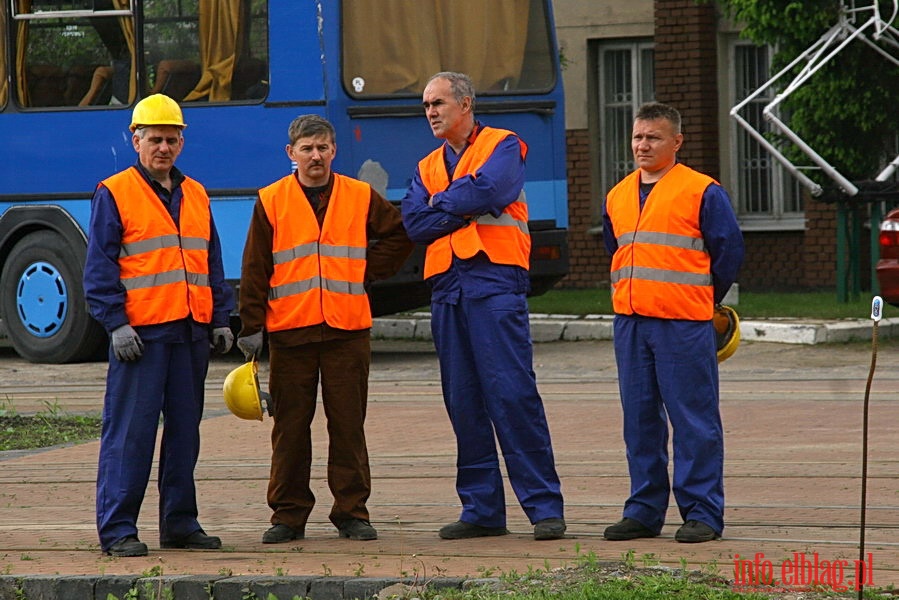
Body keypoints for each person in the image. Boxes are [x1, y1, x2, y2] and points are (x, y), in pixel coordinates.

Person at [401, 72, 566, 541]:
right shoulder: (428, 163)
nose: (430, 111)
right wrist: (459, 204)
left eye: (438, 102)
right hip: (448, 289)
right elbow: (413, 222)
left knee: (512, 394)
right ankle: (481, 509)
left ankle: (543, 507)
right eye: (426, 105)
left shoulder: (504, 144)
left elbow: (493, 191)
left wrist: (442, 206)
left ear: (466, 103)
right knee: (464, 401)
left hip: (495, 282)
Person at [236, 114, 413, 544]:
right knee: (290, 429)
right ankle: (288, 515)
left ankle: (352, 512)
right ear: (291, 154)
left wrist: (366, 272)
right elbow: (255, 266)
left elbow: (400, 236)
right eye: (307, 148)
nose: (315, 156)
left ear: (334, 151)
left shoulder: (359, 195)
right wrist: (250, 325)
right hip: (291, 332)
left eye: (322, 148)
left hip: (346, 332)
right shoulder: (272, 200)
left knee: (348, 426)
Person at [84, 93, 235, 557]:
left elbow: (211, 260)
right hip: (142, 337)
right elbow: (100, 268)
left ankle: (179, 523)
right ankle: (118, 529)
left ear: (182, 141)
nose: (163, 147)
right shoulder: (115, 192)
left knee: (185, 433)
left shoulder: (196, 193)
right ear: (136, 140)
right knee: (130, 434)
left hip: (189, 332)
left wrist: (220, 318)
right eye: (154, 139)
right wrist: (115, 324)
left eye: (171, 139)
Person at [601, 102, 744, 544]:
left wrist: (700, 298)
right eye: (638, 137)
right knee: (639, 419)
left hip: (683, 321)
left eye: (654, 137)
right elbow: (617, 249)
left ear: (676, 142)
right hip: (631, 322)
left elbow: (729, 253)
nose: (643, 145)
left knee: (693, 419)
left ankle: (702, 512)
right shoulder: (618, 194)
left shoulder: (703, 191)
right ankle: (644, 511)